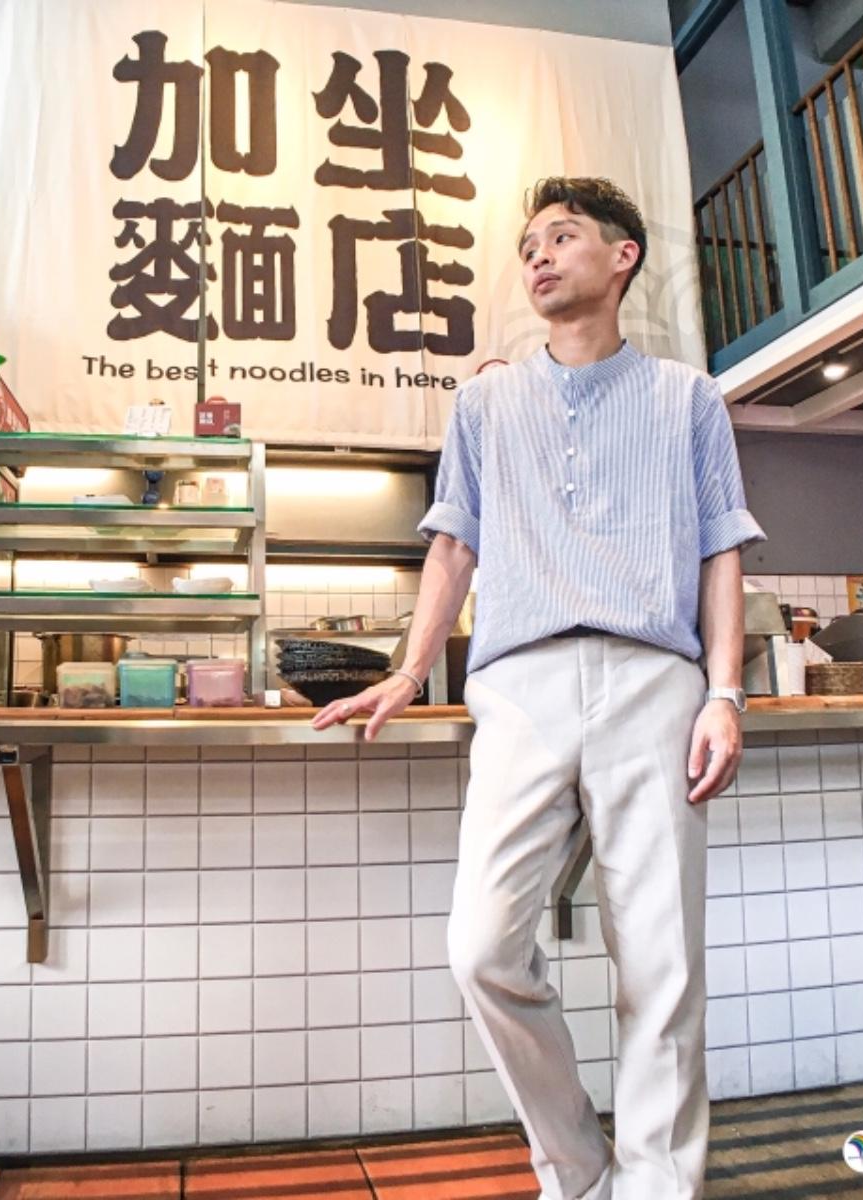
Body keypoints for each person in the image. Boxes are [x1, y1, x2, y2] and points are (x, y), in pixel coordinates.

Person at [311, 176, 766, 1200]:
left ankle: (658, 1185)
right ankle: (579, 1168)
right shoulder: (485, 402)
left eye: (562, 237)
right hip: (517, 688)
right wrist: (410, 669)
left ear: (622, 256)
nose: (540, 258)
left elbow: (721, 550)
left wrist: (724, 693)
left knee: (662, 964)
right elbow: (453, 546)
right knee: (481, 948)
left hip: (655, 682)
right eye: (528, 248)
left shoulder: (688, 398)